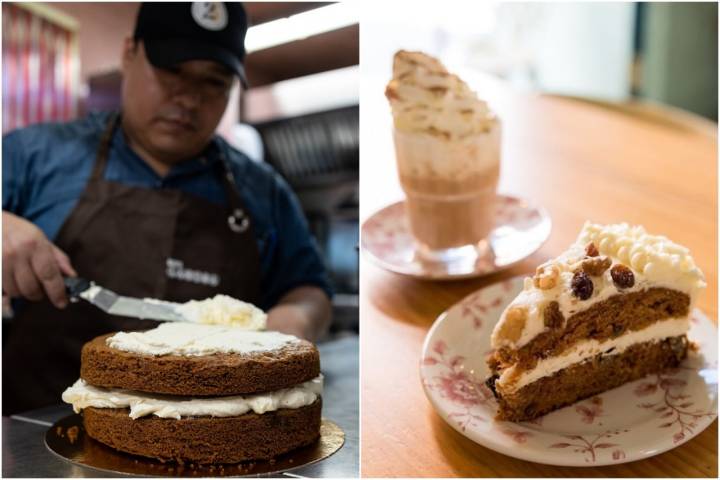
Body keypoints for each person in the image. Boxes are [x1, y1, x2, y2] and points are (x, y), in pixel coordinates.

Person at [2, 2, 332, 415]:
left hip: (208, 434)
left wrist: (297, 320)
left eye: (214, 83)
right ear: (128, 52)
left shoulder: (264, 191)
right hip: (38, 430)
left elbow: (309, 288)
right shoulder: (35, 154)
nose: (189, 98)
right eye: (172, 70)